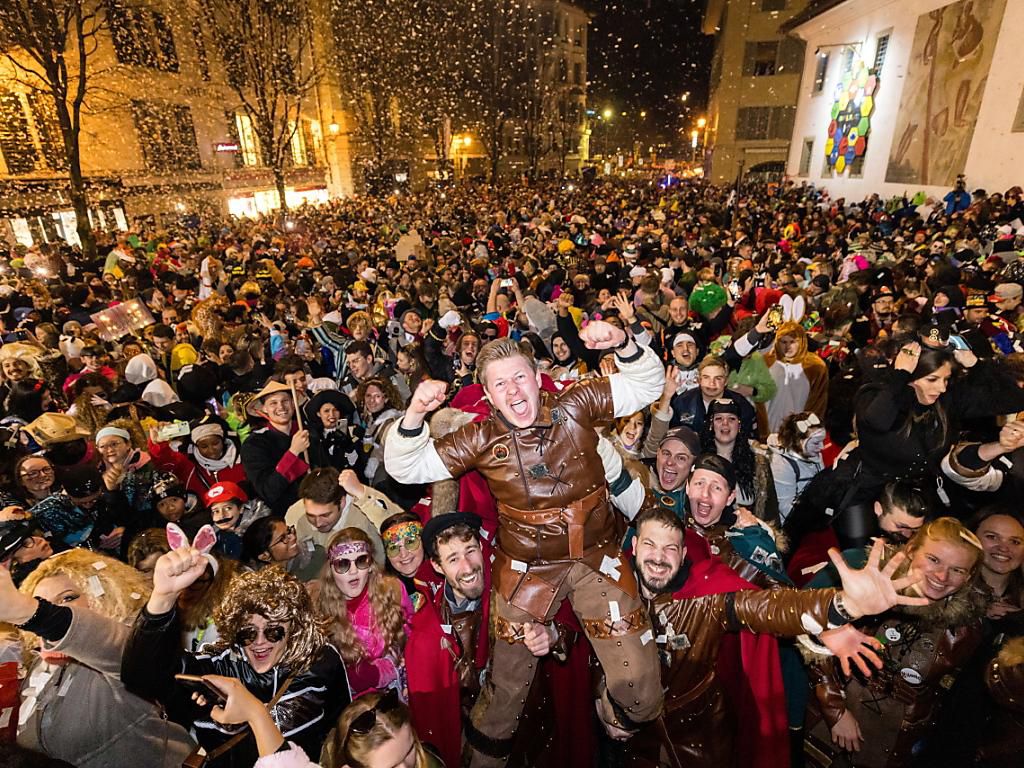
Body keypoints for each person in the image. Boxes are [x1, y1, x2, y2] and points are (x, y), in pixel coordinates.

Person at [385, 323, 666, 765]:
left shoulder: (576, 403)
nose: (513, 391)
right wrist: (415, 415)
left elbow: (647, 384)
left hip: (598, 560)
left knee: (643, 694)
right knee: (503, 699)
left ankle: (608, 714)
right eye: (500, 384)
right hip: (526, 572)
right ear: (489, 396)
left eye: (519, 377)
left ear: (537, 378)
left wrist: (625, 344)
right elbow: (407, 467)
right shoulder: (479, 437)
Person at [622, 505, 927, 768]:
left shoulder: (708, 598)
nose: (659, 557)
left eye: (670, 548)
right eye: (650, 545)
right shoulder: (610, 592)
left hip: (699, 738)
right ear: (634, 545)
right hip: (632, 740)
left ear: (683, 552)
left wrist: (843, 606)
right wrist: (608, 706)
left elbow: (772, 607)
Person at [121, 548, 350, 767]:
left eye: (273, 631)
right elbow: (141, 677)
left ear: (294, 626)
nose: (260, 642)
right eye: (247, 632)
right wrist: (162, 598)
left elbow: (342, 726)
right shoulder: (219, 665)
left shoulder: (320, 659)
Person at [803, 517, 986, 768]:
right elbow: (815, 646)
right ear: (911, 551)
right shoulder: (871, 592)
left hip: (891, 744)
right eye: (934, 559)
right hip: (832, 726)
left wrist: (919, 705)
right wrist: (836, 711)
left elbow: (950, 697)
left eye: (957, 569)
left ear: (968, 577)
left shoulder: (967, 630)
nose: (942, 576)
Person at [0, 550, 195, 767]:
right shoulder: (38, 667)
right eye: (42, 603)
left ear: (106, 595)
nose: (56, 609)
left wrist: (28, 611)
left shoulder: (129, 642)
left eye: (68, 598)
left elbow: (132, 656)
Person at [316, 527, 412, 699]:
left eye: (361, 561)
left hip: (399, 696)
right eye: (343, 564)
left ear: (370, 565)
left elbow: (412, 638)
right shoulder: (319, 607)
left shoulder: (393, 590)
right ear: (331, 569)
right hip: (353, 706)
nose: (353, 571)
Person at [287, 466, 392, 563]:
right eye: (311, 516)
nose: (318, 523)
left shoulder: (365, 520)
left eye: (325, 515)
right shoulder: (295, 515)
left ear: (342, 502)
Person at [241, 381, 310, 516]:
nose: (281, 407)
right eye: (273, 403)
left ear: (293, 404)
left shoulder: (307, 433)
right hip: (281, 516)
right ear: (264, 409)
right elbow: (268, 491)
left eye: (285, 400)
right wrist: (293, 452)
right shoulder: (254, 444)